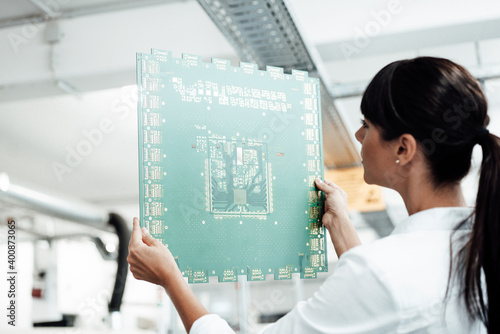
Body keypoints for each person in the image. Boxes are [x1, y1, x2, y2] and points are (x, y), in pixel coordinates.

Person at [127, 57, 500, 334]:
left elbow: (384, 289)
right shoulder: (479, 246)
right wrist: (343, 232)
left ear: (403, 149)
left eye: (366, 126)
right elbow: (387, 307)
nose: (358, 137)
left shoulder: (384, 271)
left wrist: (170, 279)